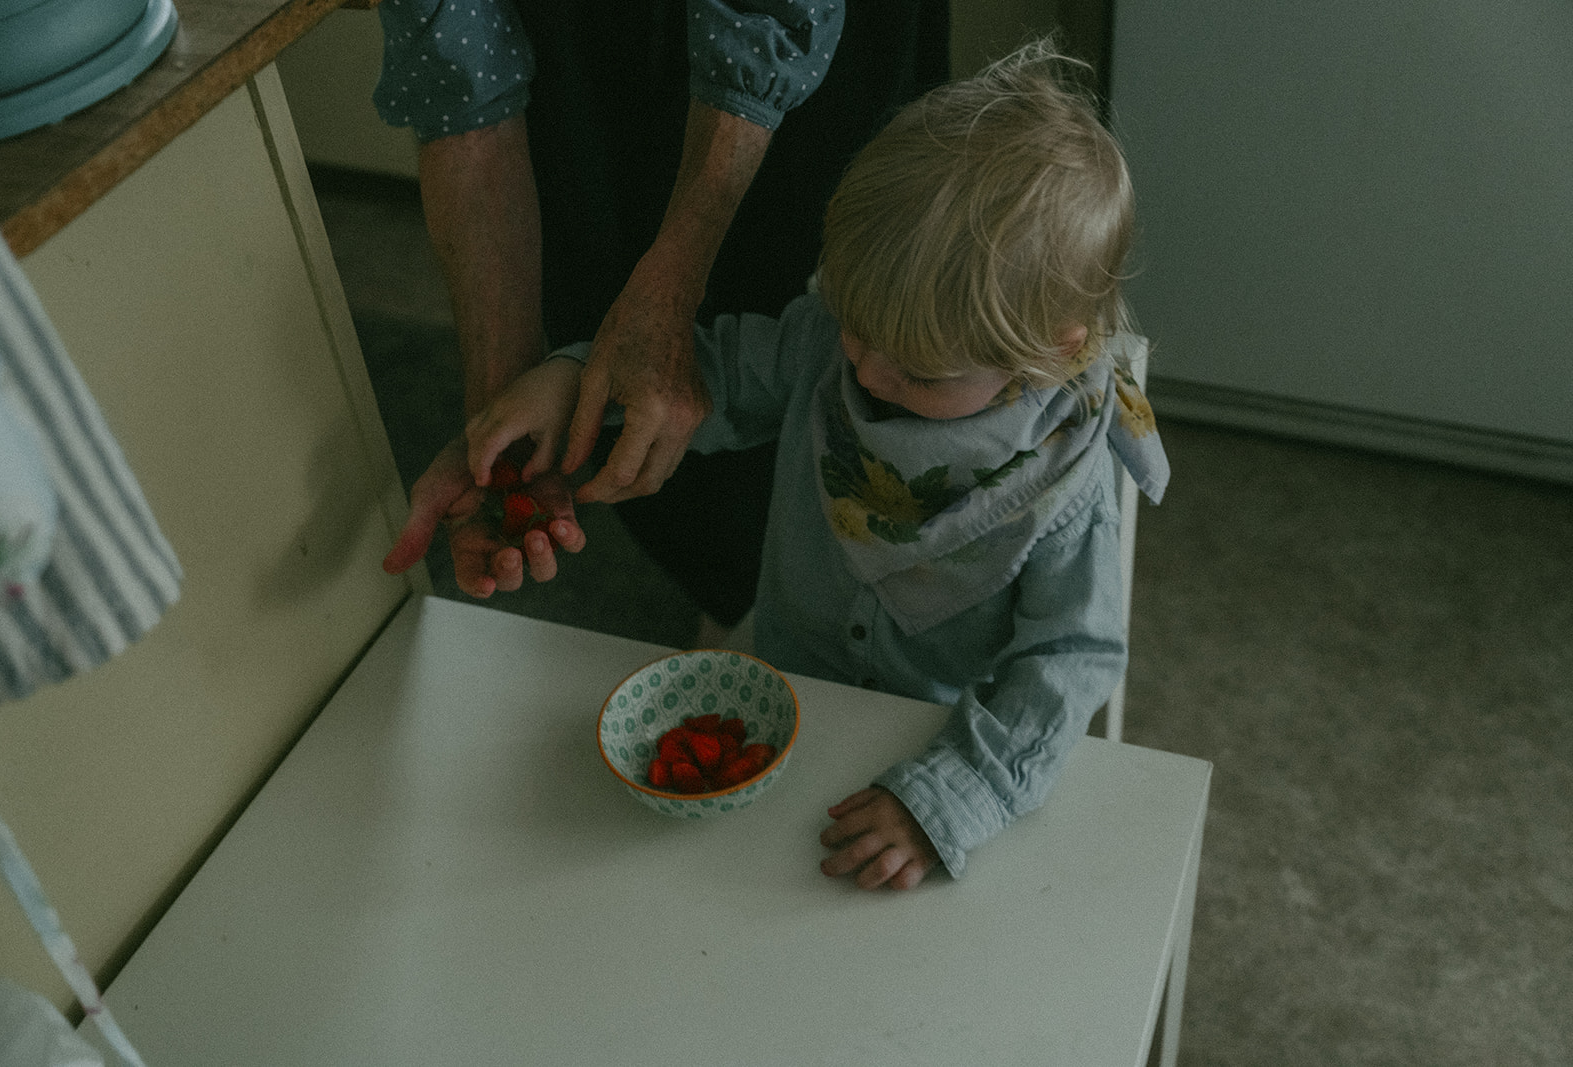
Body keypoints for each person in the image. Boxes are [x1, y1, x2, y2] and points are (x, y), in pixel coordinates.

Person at [460, 40, 1172, 889]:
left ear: (1045, 357)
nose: (863, 372)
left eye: (917, 371)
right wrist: (574, 380)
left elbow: (1070, 657)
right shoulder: (839, 340)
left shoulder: (1066, 479)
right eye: (854, 327)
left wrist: (959, 790)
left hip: (936, 735)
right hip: (783, 676)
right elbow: (709, 378)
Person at [374, 0, 950, 638]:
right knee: (643, 395)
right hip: (587, 46)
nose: (863, 370)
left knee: (796, 280)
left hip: (800, 32)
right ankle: (748, 608)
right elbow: (460, 68)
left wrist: (672, 295)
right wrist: (501, 420)